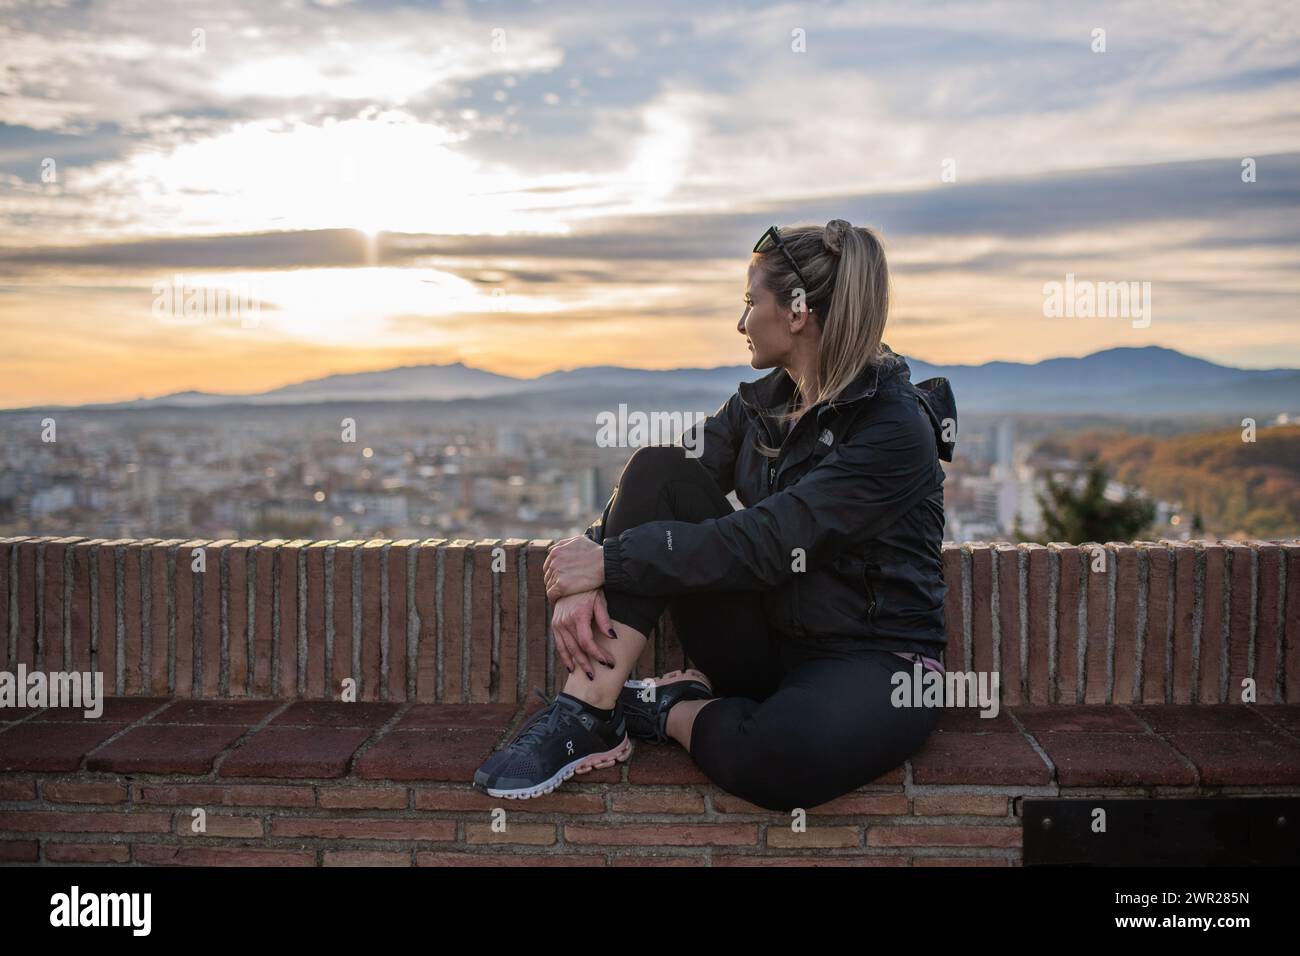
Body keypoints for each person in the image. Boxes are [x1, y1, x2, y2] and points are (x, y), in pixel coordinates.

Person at [472, 218, 956, 812]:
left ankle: (663, 709)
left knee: (780, 758)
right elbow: (658, 488)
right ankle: (587, 712)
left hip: (874, 661)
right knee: (658, 465)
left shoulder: (894, 426)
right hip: (767, 640)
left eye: (751, 302)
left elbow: (771, 540)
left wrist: (610, 562)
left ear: (797, 312)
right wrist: (588, 560)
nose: (741, 321)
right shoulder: (763, 403)